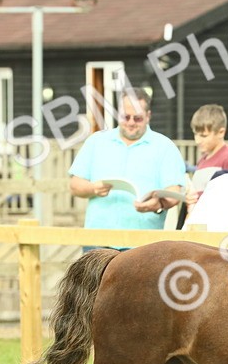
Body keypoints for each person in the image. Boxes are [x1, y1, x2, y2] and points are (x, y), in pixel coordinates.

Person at [68, 90, 187, 250]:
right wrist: (93, 188)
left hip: (142, 245)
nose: (131, 122)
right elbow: (75, 185)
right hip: (97, 241)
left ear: (148, 116)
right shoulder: (96, 141)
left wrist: (156, 204)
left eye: (137, 118)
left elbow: (174, 192)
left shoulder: (165, 147)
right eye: (126, 116)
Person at [185, 103, 228, 215]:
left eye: (204, 136)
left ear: (221, 132)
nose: (198, 140)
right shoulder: (202, 160)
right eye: (196, 134)